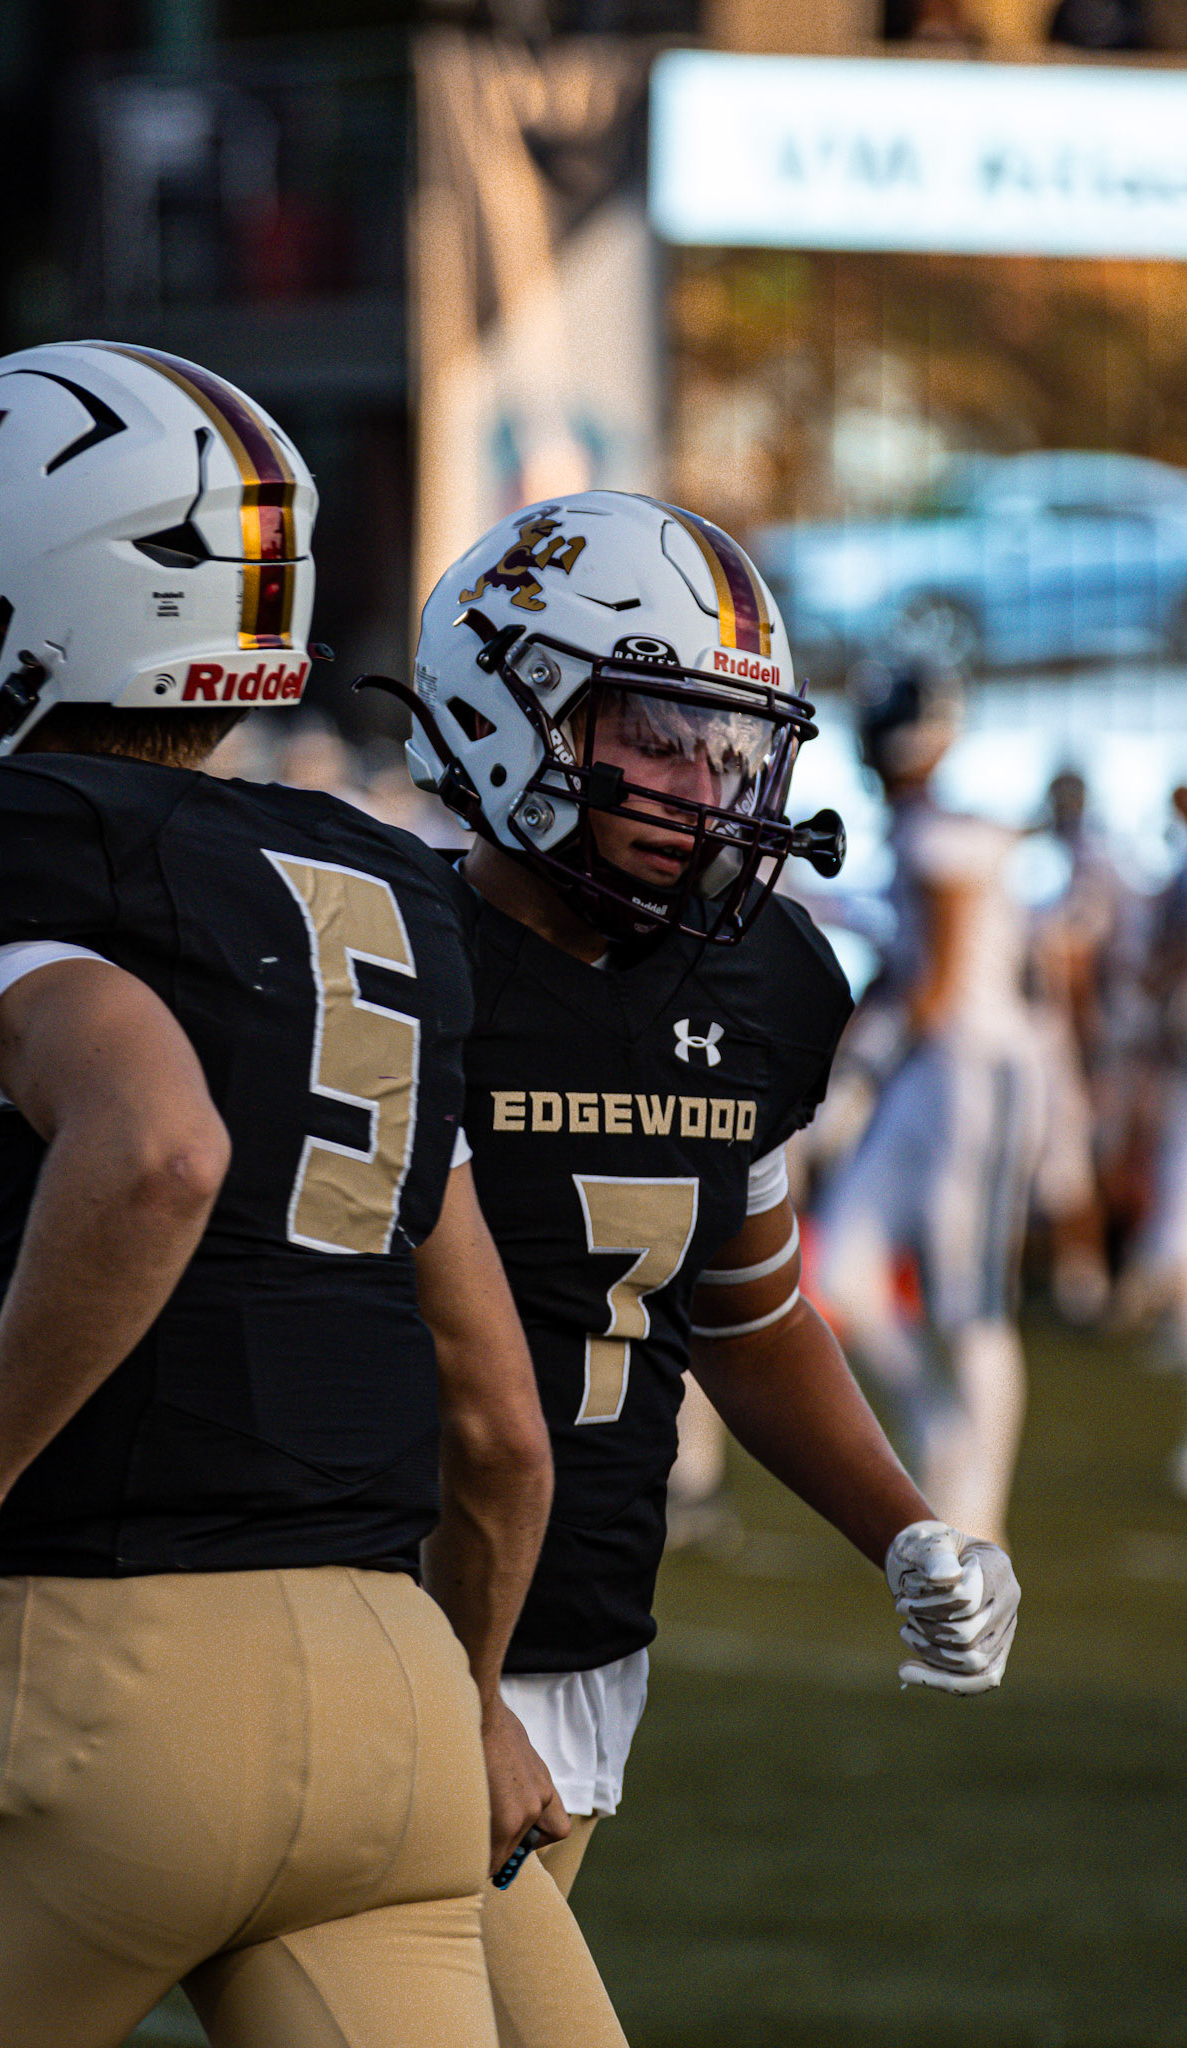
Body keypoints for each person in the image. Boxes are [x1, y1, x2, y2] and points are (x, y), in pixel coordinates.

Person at [0, 341, 569, 2048]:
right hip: (399, 1702)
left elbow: (158, 1147)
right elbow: (501, 1426)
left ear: (26, 597)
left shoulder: (4, 840)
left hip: (123, 1679)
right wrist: (468, 1700)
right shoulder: (381, 887)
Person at [385, 495, 1021, 2046]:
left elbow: (747, 1309)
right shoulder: (385, 959)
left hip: (590, 1632)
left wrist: (902, 1527)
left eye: (730, 747)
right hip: (386, 1624)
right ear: (509, 709)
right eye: (660, 735)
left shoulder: (760, 980)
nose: (706, 786)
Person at [814, 663, 1045, 1547]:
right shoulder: (923, 830)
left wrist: (856, 1076)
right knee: (844, 1276)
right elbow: (904, 972)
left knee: (967, 1301)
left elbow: (939, 985)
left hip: (973, 1072)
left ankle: (980, 1516)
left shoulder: (943, 835)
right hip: (929, 1074)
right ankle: (938, 1432)